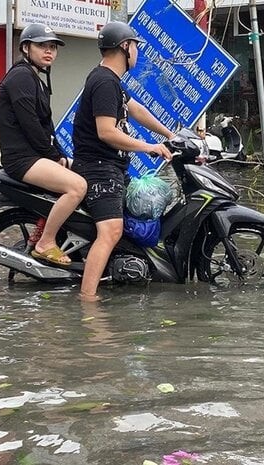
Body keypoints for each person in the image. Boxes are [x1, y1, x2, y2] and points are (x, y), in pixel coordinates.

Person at [72, 21, 174, 302]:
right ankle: (88, 301)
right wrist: (149, 147)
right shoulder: (104, 81)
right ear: (125, 47)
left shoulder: (111, 81)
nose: (138, 53)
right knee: (111, 231)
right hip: (99, 170)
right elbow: (106, 132)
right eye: (136, 47)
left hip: (111, 168)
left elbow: (136, 109)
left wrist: (169, 134)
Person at [0, 23, 87, 266]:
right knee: (77, 187)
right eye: (41, 46)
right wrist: (53, 156)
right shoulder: (21, 77)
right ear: (26, 48)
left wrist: (63, 155)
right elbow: (31, 126)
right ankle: (46, 242)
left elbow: (47, 128)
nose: (49, 51)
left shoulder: (34, 78)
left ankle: (51, 234)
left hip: (35, 156)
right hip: (22, 159)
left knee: (82, 173)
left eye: (53, 47)